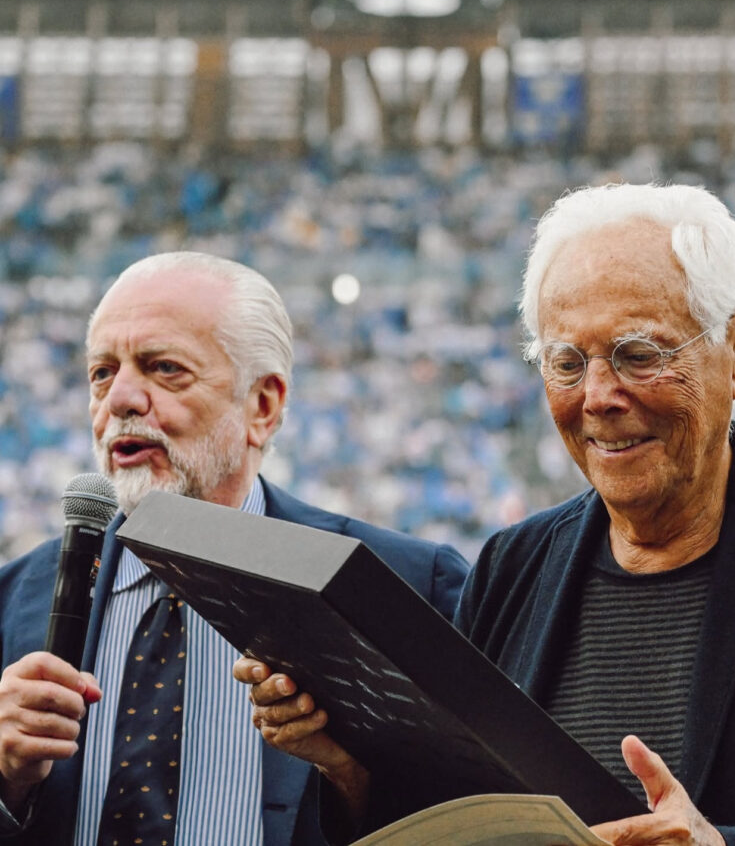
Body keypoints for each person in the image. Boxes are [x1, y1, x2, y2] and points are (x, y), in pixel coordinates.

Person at [239, 183, 735, 845]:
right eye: (567, 362)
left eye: (639, 354)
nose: (598, 396)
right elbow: (452, 813)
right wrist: (349, 764)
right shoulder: (511, 568)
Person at [0, 251, 468, 846]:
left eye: (163, 368)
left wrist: (348, 773)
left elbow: (470, 820)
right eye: (101, 372)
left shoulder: (401, 585)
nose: (119, 398)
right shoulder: (14, 600)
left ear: (262, 406)